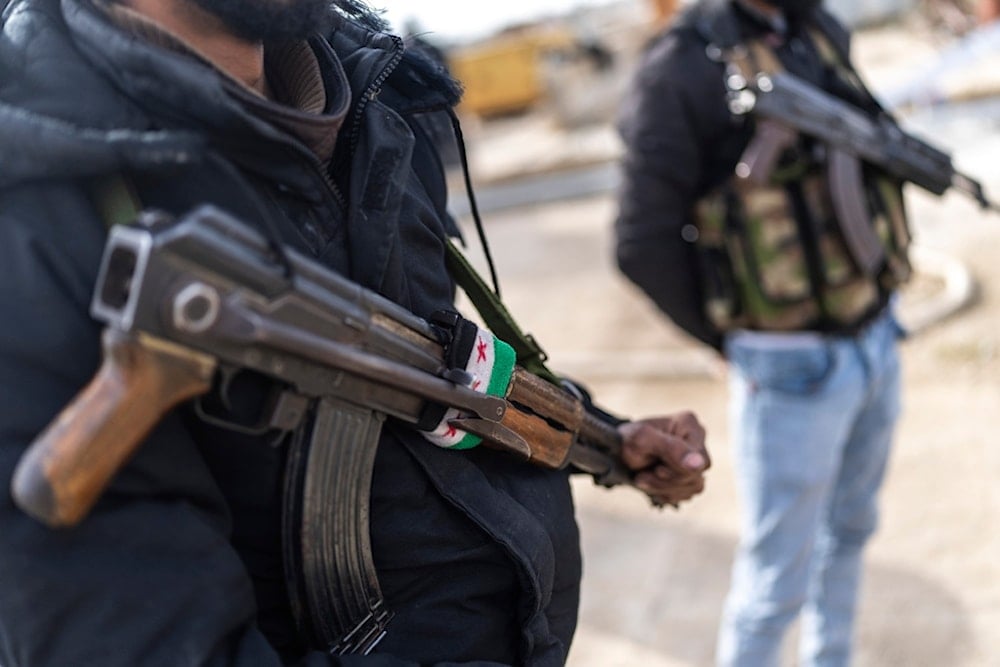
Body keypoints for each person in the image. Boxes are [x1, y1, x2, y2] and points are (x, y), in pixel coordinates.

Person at [0, 0, 710, 665]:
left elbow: (438, 359)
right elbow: (118, 618)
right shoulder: (35, 203)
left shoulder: (369, 97)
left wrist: (608, 436)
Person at [614, 0, 907, 665]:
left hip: (875, 335)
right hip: (787, 365)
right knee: (776, 581)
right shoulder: (679, 68)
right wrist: (732, 337)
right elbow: (640, 243)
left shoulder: (817, 28)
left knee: (853, 531)